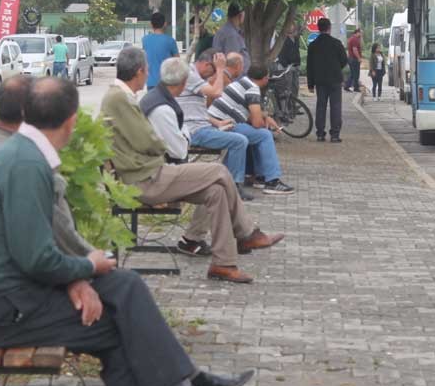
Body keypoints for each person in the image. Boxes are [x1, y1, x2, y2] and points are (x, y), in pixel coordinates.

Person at [0, 77, 254, 386]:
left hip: (6, 294)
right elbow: (35, 256)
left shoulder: (22, 155)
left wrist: (80, 278)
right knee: (113, 327)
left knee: (123, 286)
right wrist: (87, 269)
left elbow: (34, 248)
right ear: (71, 122)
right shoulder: (25, 165)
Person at [101, 47, 284, 284]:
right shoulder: (120, 98)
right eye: (147, 71)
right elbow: (149, 141)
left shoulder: (127, 97)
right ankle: (247, 233)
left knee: (216, 191)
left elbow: (149, 140)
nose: (148, 75)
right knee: (219, 170)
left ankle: (223, 264)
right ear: (140, 71)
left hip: (147, 173)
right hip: (144, 179)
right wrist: (163, 140)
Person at [0, 75, 94, 257]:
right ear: (27, 112)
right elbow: (59, 238)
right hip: (5, 267)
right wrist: (90, 264)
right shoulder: (24, 158)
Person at [176, 49, 254, 201]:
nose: (212, 76)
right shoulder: (189, 75)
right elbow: (217, 92)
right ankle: (234, 187)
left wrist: (218, 123)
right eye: (212, 70)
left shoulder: (195, 76)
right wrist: (220, 69)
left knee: (237, 135)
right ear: (206, 64)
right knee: (239, 141)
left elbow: (197, 110)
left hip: (200, 126)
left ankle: (223, 181)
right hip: (193, 131)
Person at [207, 63, 295, 195]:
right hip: (224, 125)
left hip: (217, 121)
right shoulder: (252, 89)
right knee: (264, 135)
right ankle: (272, 181)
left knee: (254, 133)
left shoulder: (241, 83)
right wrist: (265, 123)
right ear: (265, 78)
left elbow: (250, 115)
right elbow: (256, 122)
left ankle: (256, 175)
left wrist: (264, 117)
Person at [306, 18, 347, 143]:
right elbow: (344, 60)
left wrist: (310, 84)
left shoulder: (313, 45)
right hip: (335, 79)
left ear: (318, 28)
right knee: (336, 106)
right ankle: (335, 134)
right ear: (329, 28)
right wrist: (336, 68)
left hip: (320, 81)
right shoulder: (337, 43)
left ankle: (320, 134)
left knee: (321, 106)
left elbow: (310, 66)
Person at [142, 11, 179, 89]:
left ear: (151, 25)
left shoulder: (145, 40)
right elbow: (177, 61)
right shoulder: (170, 41)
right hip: (167, 82)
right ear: (165, 24)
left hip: (150, 82)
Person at [212, 3, 250, 74]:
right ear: (241, 15)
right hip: (235, 78)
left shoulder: (226, 30)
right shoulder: (231, 35)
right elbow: (233, 62)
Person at [277, 22, 302, 96]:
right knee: (288, 86)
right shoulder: (283, 39)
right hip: (287, 66)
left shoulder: (296, 38)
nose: (291, 27)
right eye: (289, 26)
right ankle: (288, 105)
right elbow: (280, 53)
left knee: (296, 86)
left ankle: (294, 103)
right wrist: (286, 65)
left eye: (292, 25)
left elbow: (301, 28)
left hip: (296, 65)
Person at [345, 27, 363, 92]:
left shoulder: (352, 38)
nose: (361, 34)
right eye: (361, 33)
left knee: (352, 74)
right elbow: (355, 50)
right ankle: (356, 88)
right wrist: (359, 58)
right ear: (357, 32)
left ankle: (347, 86)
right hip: (354, 59)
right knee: (356, 74)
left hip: (351, 58)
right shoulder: (355, 39)